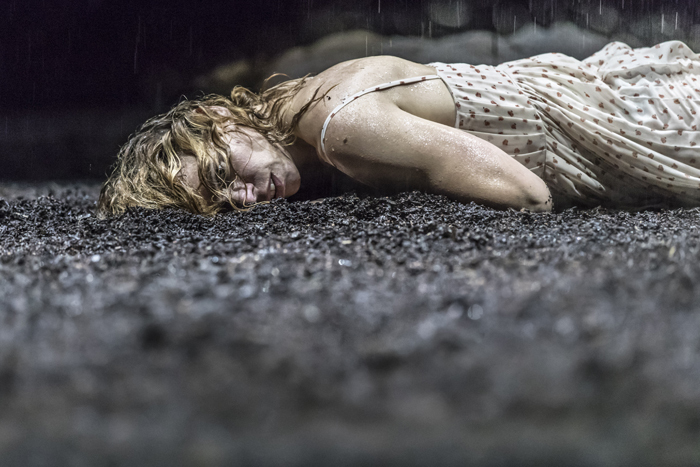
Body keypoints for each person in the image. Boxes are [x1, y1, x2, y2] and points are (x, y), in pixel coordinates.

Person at [98, 40, 700, 216]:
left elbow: (526, 193)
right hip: (598, 91)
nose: (242, 196)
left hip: (623, 124)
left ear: (218, 118)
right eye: (222, 202)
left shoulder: (338, 126)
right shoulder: (307, 108)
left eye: (223, 172)